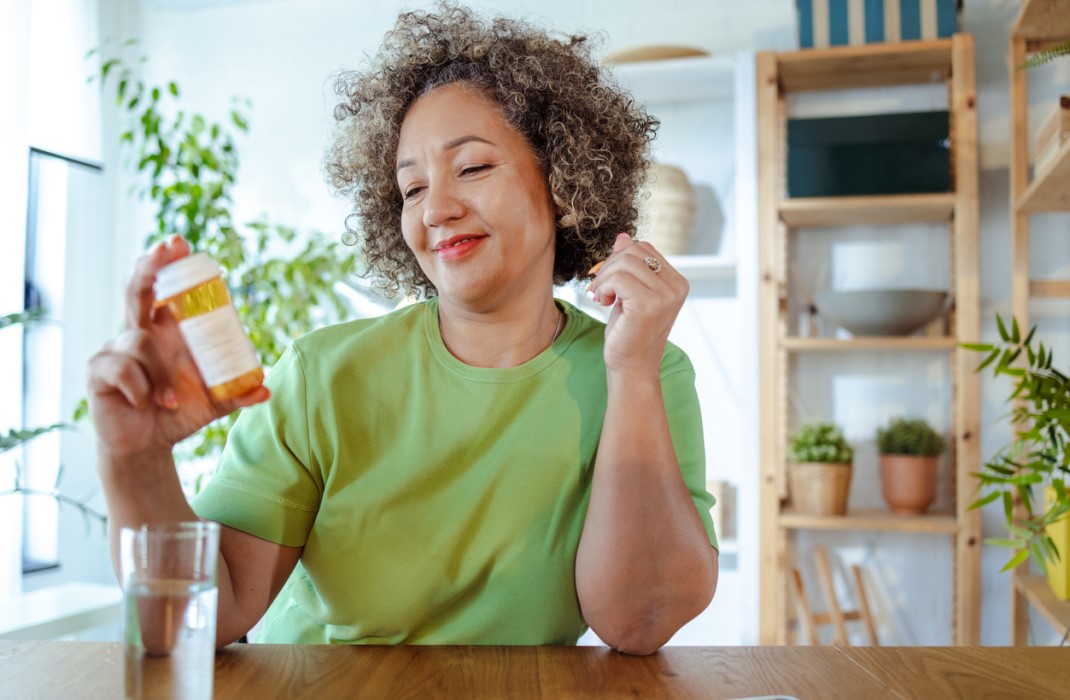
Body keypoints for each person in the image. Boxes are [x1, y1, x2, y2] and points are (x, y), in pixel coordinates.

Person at [88, 2, 718, 656]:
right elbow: (201, 617)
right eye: (411, 189)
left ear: (562, 182)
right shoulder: (322, 376)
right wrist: (134, 457)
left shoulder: (645, 371)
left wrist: (634, 374)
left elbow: (637, 623)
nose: (437, 209)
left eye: (472, 168)